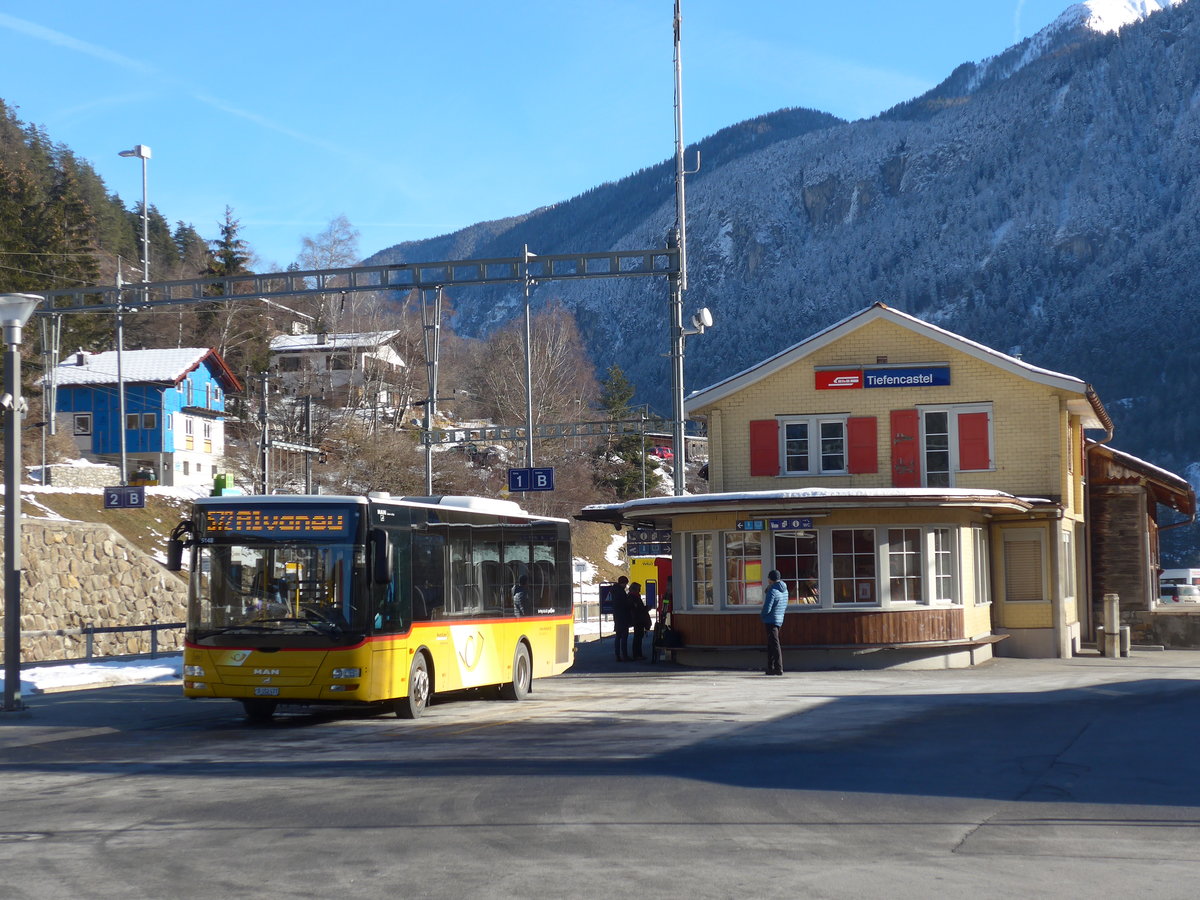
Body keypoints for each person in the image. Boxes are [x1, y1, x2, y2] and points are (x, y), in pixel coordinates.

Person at [761, 569, 789, 675]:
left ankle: (778, 667)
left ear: (770, 579)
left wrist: (762, 615)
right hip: (779, 619)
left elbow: (767, 607)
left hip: (770, 619)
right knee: (771, 643)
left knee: (774, 643)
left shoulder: (772, 590)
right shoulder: (784, 590)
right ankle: (771, 667)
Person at [610, 576, 632, 661]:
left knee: (618, 637)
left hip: (617, 616)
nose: (626, 586)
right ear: (622, 583)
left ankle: (618, 655)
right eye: (625, 584)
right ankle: (625, 655)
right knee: (624, 637)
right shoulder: (620, 592)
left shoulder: (615, 591)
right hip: (623, 616)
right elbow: (625, 604)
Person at [628, 581, 650, 660]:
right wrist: (646, 609)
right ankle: (637, 654)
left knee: (638, 637)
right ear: (636, 589)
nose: (640, 590)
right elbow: (638, 609)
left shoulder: (632, 597)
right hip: (638, 619)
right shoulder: (634, 597)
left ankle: (638, 654)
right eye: (639, 589)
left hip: (637, 619)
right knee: (638, 637)